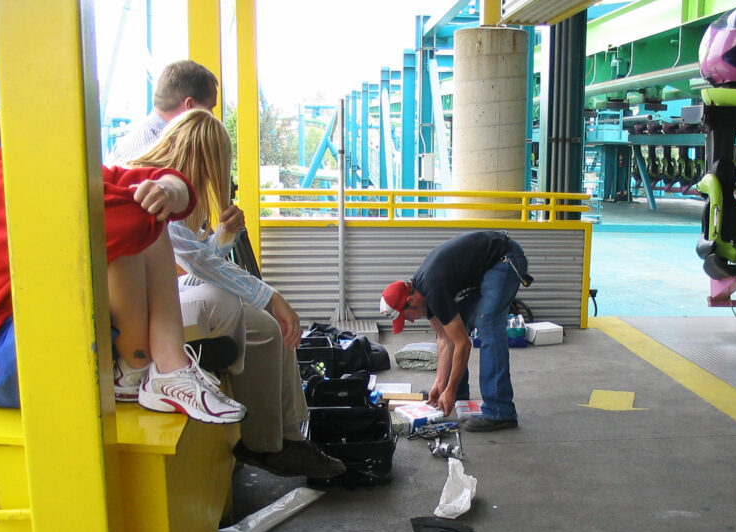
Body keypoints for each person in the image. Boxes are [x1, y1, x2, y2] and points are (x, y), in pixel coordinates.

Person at [0, 110, 246, 425]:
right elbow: (128, 223)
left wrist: (169, 189)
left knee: (149, 221)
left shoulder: (27, 166)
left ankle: (164, 368)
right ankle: (143, 368)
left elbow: (173, 188)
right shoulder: (4, 177)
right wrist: (160, 199)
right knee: (136, 228)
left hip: (18, 340)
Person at [128, 108, 345, 479]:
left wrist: (225, 238)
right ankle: (265, 444)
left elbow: (197, 258)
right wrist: (270, 296)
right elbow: (198, 264)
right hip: (143, 315)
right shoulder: (155, 189)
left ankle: (289, 436)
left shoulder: (159, 183)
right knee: (259, 323)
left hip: (155, 301)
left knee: (266, 325)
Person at [380, 230, 528, 432]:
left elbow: (463, 344)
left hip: (504, 259)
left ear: (410, 300)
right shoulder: (424, 293)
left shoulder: (433, 290)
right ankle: (457, 393)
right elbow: (444, 339)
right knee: (454, 329)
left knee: (488, 327)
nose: (412, 321)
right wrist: (440, 384)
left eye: (407, 316)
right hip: (487, 267)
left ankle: (500, 411)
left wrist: (449, 388)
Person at [107, 59, 218, 165]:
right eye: (209, 108)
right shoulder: (170, 153)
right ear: (189, 106)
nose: (212, 116)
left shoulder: (124, 148)